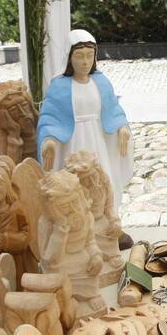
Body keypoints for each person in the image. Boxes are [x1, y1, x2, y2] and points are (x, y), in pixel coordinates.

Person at [37, 29, 134, 246]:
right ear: (69, 58)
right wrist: (50, 140)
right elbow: (50, 117)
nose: (85, 61)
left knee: (104, 180)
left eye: (89, 55)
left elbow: (114, 110)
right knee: (75, 185)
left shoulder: (101, 82)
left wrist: (123, 128)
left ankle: (110, 224)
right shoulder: (59, 86)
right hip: (73, 143)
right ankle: (78, 230)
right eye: (79, 56)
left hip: (98, 140)